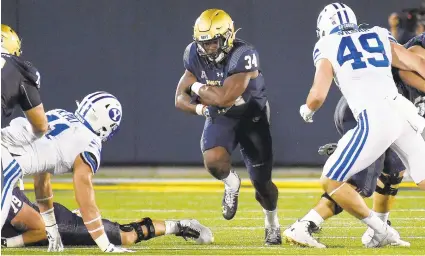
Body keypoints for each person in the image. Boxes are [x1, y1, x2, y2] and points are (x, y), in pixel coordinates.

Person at [298, 2, 425, 248]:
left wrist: (307, 109)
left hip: (375, 116)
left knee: (331, 181)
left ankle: (380, 230)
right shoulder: (379, 33)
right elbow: (416, 64)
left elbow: (317, 95)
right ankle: (381, 229)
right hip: (403, 110)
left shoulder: (326, 44)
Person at [174, 9, 281, 245]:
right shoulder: (193, 54)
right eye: (203, 43)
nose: (208, 49)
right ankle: (231, 182)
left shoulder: (243, 54)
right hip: (221, 117)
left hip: (252, 118)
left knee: (263, 185)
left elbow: (224, 98)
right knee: (213, 161)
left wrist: (198, 88)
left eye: (213, 42)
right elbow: (179, 98)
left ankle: (272, 223)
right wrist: (201, 108)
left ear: (227, 36)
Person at [2, 92, 132, 252]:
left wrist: (51, 227)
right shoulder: (89, 143)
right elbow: (86, 203)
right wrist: (106, 246)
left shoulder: (59, 114)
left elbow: (42, 180)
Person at [1, 187, 213, 248]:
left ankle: (179, 226)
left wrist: (7, 243)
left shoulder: (5, 196)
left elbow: (40, 227)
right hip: (27, 221)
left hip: (53, 225)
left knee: (125, 236)